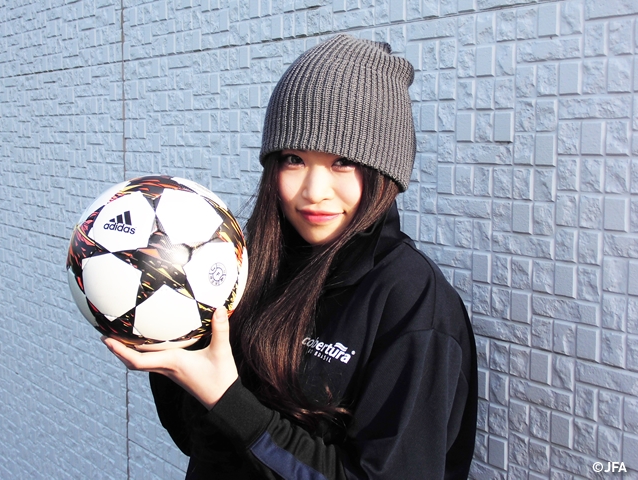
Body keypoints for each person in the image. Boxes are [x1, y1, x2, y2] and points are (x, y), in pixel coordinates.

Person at [103, 34, 478, 479]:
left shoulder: (412, 304)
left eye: (342, 162)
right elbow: (198, 441)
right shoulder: (246, 266)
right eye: (294, 159)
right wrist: (167, 337)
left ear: (385, 172)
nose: (314, 192)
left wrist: (229, 400)